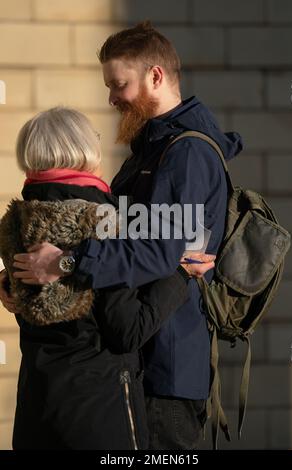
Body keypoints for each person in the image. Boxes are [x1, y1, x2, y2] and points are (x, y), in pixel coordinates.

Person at [1, 21, 242, 449]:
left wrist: (64, 264)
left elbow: (161, 253)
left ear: (156, 76)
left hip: (167, 364)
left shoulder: (186, 154)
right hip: (138, 361)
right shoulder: (150, 150)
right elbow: (115, 239)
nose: (111, 98)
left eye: (119, 85)